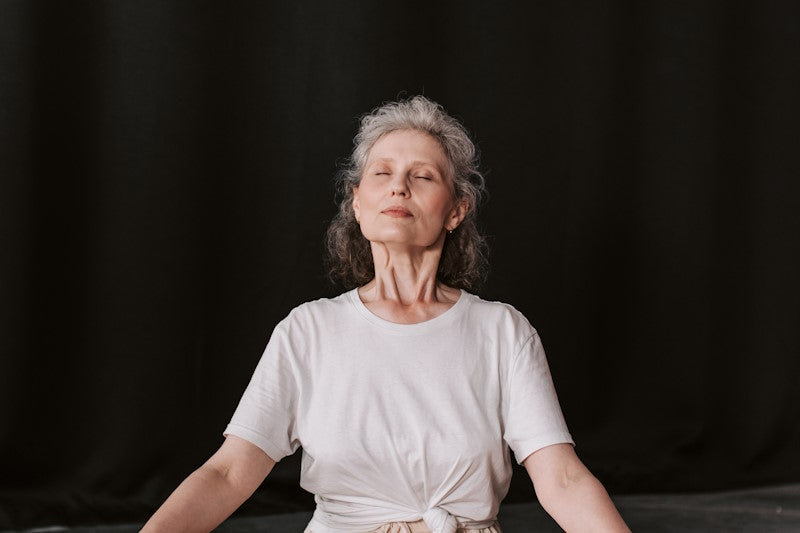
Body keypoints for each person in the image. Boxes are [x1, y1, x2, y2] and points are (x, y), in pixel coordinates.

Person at [141, 96, 630, 533]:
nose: (398, 187)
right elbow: (228, 474)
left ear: (456, 210)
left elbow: (563, 479)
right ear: (357, 201)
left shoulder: (502, 331)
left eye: (422, 176)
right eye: (382, 174)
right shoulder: (307, 331)